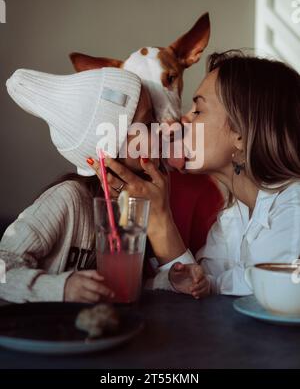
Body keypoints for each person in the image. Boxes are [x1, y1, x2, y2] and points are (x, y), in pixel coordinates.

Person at [0, 66, 222, 302]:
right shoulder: (69, 198)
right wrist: (60, 288)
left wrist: (169, 282)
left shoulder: (134, 204)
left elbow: (122, 287)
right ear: (109, 145)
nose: (160, 129)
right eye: (147, 123)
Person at [91, 51, 300, 298]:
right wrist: (161, 217)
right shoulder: (233, 217)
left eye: (198, 111)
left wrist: (159, 221)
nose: (183, 120)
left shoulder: (293, 208)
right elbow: (198, 285)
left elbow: (267, 293)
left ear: (240, 135)